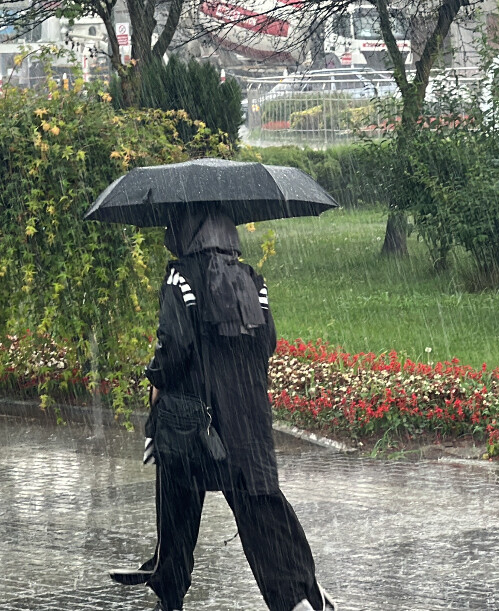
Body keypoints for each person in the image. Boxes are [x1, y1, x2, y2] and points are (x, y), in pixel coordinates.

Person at [114, 208, 335, 611]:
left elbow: (175, 347)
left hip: (193, 419)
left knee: (177, 503)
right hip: (247, 415)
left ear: (187, 232)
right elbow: (266, 342)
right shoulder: (252, 280)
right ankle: (298, 592)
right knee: (260, 504)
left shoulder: (180, 278)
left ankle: (170, 589)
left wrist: (157, 380)